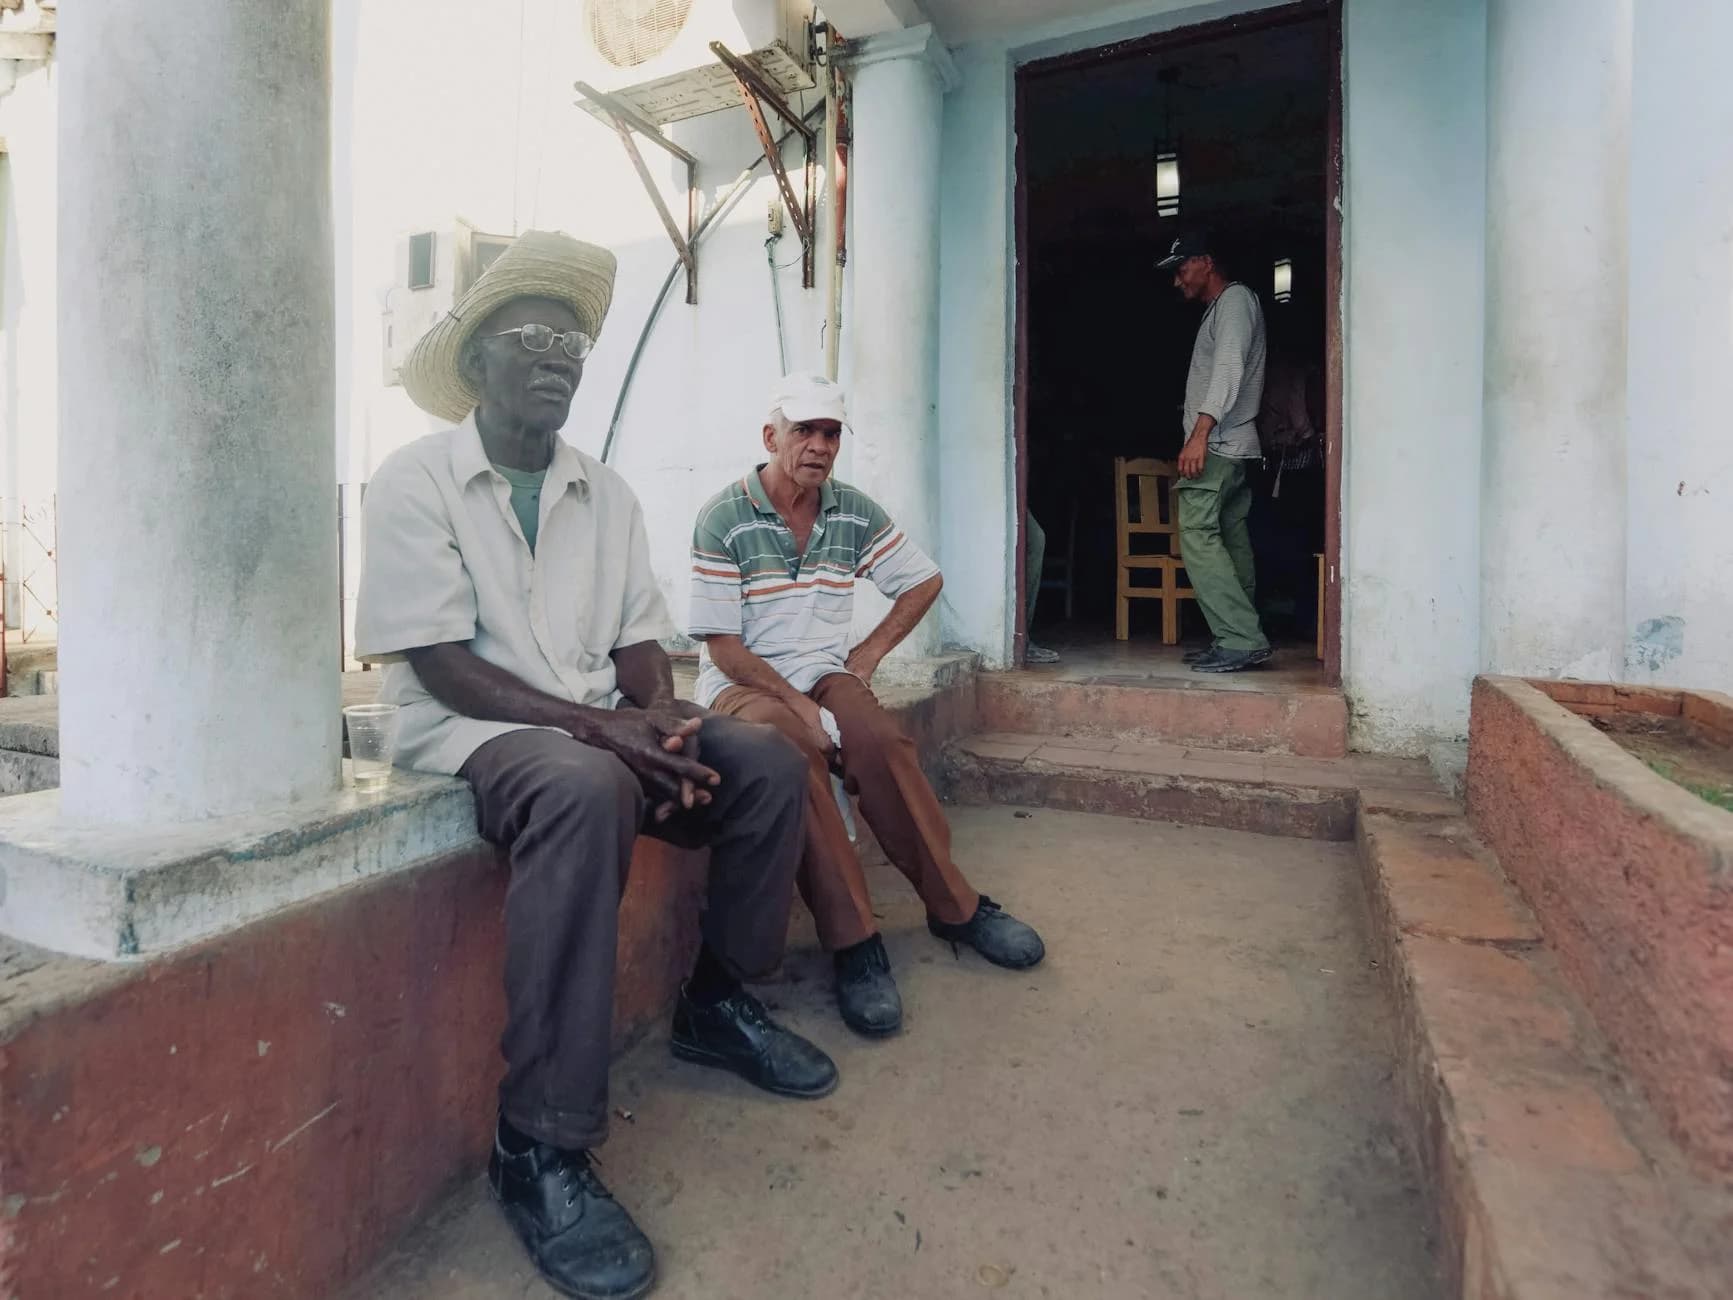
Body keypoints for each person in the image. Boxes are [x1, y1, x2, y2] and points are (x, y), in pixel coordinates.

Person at [356, 232, 835, 1300]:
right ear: (473, 362)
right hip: (472, 730)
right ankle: (538, 1143)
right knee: (586, 786)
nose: (557, 355)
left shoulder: (603, 491)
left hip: (589, 729)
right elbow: (437, 662)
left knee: (759, 758)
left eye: (570, 339)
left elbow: (637, 649)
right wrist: (598, 731)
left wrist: (658, 718)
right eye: (528, 336)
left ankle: (716, 1001)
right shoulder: (415, 479)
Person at [687, 373, 1046, 1038]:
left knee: (878, 741)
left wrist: (869, 654)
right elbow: (723, 649)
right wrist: (797, 706)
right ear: (771, 437)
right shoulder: (724, 516)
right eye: (804, 431)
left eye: (830, 433)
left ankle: (956, 908)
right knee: (788, 753)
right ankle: (854, 942)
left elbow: (922, 579)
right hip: (744, 685)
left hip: (823, 672)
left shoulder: (850, 510)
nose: (818, 446)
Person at [1157, 231, 1272, 673]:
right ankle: (1238, 636)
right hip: (1234, 446)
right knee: (1230, 537)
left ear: (1206, 261)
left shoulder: (1235, 302)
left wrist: (1199, 433)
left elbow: (1228, 369)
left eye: (1181, 268)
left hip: (1220, 444)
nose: (1177, 281)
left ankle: (1240, 636)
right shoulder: (1225, 308)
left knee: (1198, 534)